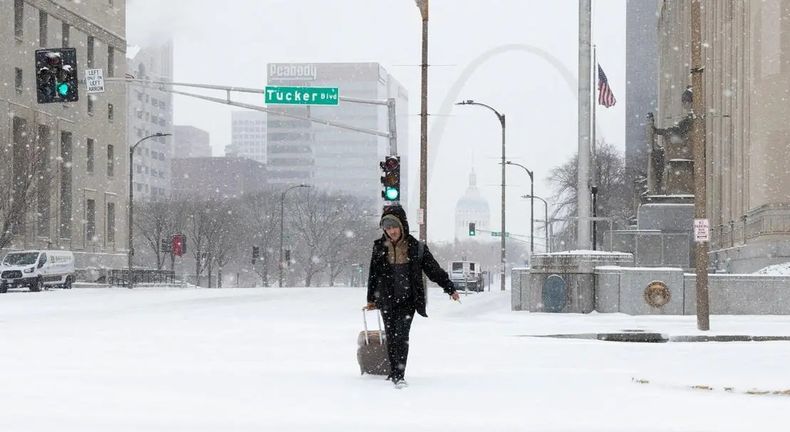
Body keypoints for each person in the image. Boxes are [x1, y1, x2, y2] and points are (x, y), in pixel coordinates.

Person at [365, 205, 460, 388]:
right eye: (388, 228)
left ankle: (399, 375)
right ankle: (393, 371)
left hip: (408, 301)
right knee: (391, 337)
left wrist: (449, 287)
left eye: (394, 227)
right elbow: (373, 274)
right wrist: (371, 299)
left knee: (402, 336)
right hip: (387, 300)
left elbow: (434, 270)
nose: (391, 231)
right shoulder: (379, 247)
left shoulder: (417, 248)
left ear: (402, 226)